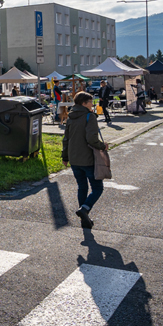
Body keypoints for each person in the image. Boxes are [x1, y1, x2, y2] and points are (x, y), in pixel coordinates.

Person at [61, 92, 108, 230]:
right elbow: (91, 139)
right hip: (88, 158)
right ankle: (85, 209)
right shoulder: (89, 116)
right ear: (83, 103)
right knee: (97, 188)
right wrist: (102, 146)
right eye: (90, 102)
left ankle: (84, 219)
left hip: (74, 158)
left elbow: (66, 139)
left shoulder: (70, 117)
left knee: (82, 187)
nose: (92, 104)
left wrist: (65, 156)